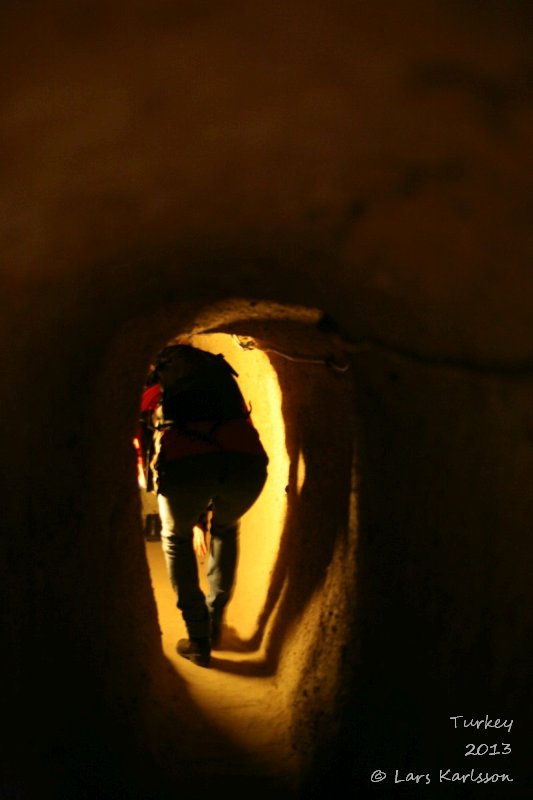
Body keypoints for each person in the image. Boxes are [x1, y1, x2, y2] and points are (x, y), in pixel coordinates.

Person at [139, 343, 269, 667]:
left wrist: (184, 510)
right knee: (225, 530)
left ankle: (198, 639)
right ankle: (214, 622)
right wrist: (202, 518)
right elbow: (234, 435)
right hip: (247, 465)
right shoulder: (223, 379)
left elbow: (147, 444)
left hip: (185, 468)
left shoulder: (155, 387)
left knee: (175, 539)